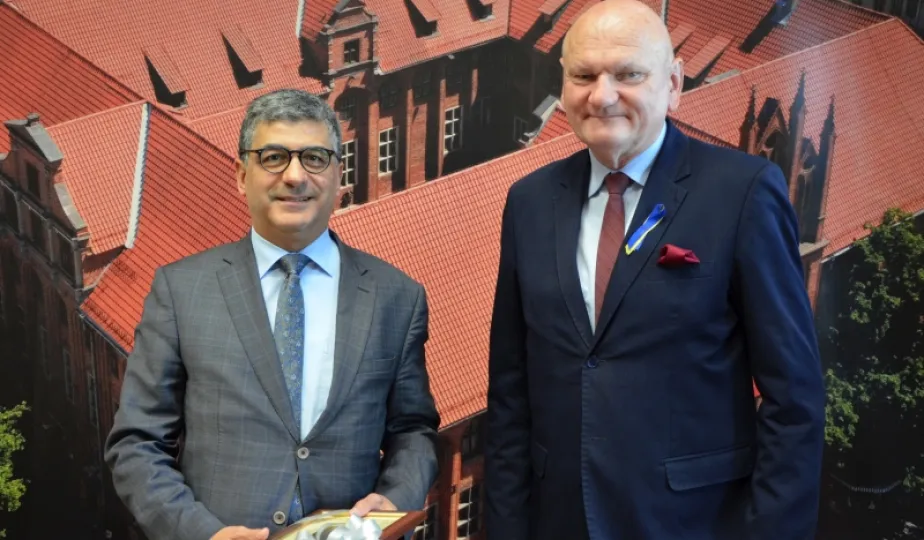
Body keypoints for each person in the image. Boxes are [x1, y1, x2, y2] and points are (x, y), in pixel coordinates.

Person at [483, 1, 826, 539]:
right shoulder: (528, 202)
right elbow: (510, 392)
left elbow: (795, 399)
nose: (602, 96)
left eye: (628, 75)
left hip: (692, 524)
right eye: (584, 76)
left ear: (673, 84)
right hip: (559, 521)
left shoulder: (742, 193)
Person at [104, 89, 440, 540]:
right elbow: (137, 443)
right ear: (242, 176)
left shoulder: (397, 297)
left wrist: (396, 500)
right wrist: (202, 534)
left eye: (315, 158)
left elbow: (413, 431)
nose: (295, 176)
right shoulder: (181, 291)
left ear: (339, 174)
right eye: (274, 157)